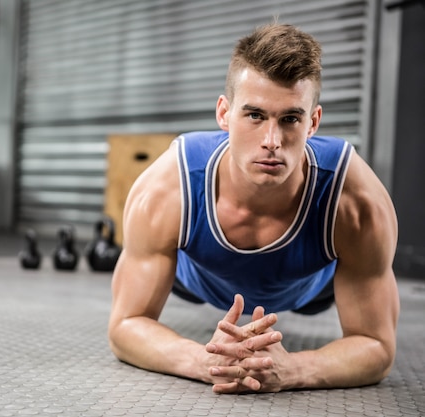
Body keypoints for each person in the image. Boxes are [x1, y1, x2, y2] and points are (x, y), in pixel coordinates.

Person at [107, 23, 399, 394]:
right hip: (198, 277)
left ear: (313, 122)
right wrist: (205, 360)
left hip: (308, 289)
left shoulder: (356, 201)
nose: (272, 141)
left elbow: (377, 346)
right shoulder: (169, 188)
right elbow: (125, 326)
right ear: (223, 113)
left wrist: (294, 369)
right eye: (255, 115)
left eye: (291, 118)